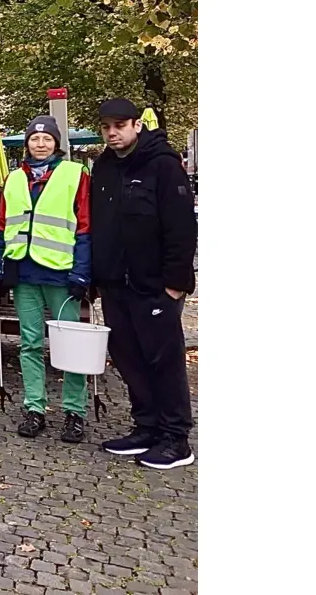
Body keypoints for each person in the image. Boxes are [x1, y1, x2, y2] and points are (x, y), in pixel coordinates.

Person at [90, 99, 197, 470]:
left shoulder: (163, 165)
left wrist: (174, 284)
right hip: (115, 284)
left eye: (119, 125)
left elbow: (182, 228)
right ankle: (146, 427)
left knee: (163, 360)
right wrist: (98, 277)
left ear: (137, 125)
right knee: (129, 358)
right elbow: (100, 225)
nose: (112, 132)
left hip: (154, 285)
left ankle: (176, 438)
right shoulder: (103, 166)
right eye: (106, 127)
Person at [0, 116, 92, 443]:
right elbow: (3, 226)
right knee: (30, 344)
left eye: (46, 138)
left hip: (62, 273)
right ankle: (34, 407)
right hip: (24, 273)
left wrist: (82, 271)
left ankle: (74, 412)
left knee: (71, 346)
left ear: (56, 143)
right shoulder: (14, 178)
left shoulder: (75, 174)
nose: (40, 143)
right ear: (27, 143)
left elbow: (85, 227)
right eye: (34, 138)